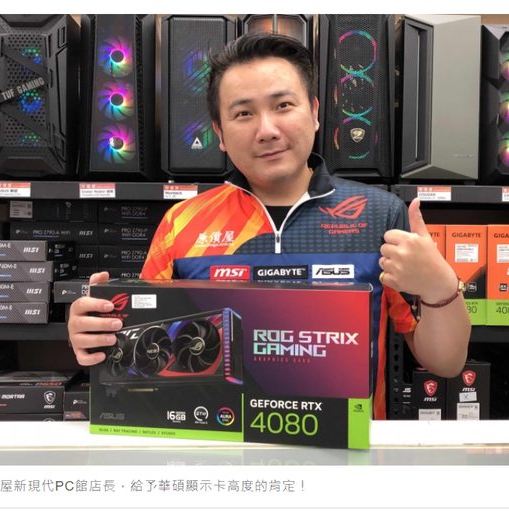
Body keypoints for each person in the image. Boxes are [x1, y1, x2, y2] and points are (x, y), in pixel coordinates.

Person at [68, 32, 471, 419]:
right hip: (218, 445)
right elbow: (145, 348)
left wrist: (440, 289)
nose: (267, 130)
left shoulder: (379, 215)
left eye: (283, 105)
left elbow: (446, 362)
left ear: (315, 113)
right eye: (243, 113)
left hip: (346, 451)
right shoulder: (181, 223)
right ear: (219, 133)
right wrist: (97, 332)